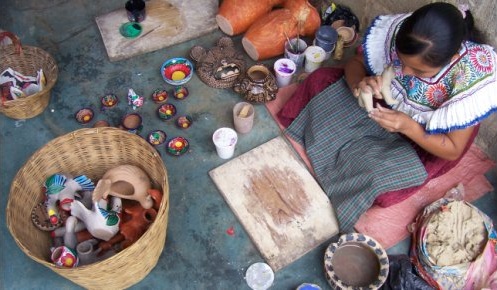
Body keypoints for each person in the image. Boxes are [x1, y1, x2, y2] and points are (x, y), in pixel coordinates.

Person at [276, 2, 497, 230]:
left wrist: (408, 127)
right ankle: (346, 156)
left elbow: (452, 149)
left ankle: (361, 164)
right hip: (387, 105)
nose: (406, 73)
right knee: (319, 80)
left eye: (419, 71)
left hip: (426, 138)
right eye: (402, 63)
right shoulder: (406, 36)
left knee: (376, 180)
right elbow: (356, 64)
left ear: (450, 60)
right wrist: (360, 84)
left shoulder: (468, 79)